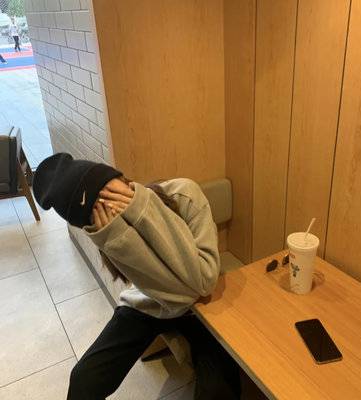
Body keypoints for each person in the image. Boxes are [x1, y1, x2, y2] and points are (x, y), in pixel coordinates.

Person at [32, 153, 241, 400]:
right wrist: (117, 237)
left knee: (218, 391)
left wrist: (144, 208)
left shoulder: (184, 194)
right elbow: (155, 286)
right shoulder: (107, 229)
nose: (110, 206)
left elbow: (202, 285)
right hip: (148, 301)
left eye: (110, 193)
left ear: (121, 179)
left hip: (199, 309)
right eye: (97, 209)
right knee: (83, 379)